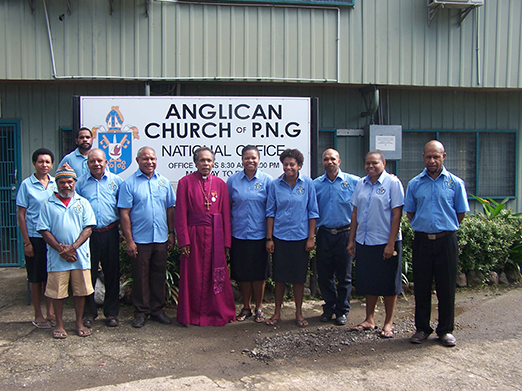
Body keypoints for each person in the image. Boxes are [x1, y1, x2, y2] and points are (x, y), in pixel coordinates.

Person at [404, 140, 469, 347]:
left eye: (436, 156)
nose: (432, 160)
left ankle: (445, 330)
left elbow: (460, 213)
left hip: (446, 241)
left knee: (446, 287)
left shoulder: (455, 183)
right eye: (428, 156)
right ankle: (422, 328)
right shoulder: (415, 184)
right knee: (421, 286)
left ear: (444, 157)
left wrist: (443, 228)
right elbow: (410, 212)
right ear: (423, 157)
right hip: (422, 241)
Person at [175, 147, 236, 326]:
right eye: (202, 160)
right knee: (193, 275)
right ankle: (192, 314)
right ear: (195, 162)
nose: (206, 164)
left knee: (215, 276)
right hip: (193, 237)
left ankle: (216, 311)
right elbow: (180, 214)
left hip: (216, 237)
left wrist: (226, 243)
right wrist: (183, 240)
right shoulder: (184, 182)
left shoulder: (221, 184)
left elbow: (226, 215)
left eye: (209, 160)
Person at [347, 150, 404, 338]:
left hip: (385, 241)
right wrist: (352, 240)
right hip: (364, 240)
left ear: (384, 163)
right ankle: (369, 319)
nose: (371, 166)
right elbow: (355, 213)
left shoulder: (393, 183)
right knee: (369, 280)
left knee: (388, 282)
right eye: (368, 163)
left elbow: (397, 214)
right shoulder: (361, 184)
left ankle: (388, 322)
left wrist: (391, 244)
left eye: (375, 163)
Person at [118, 147, 176, 328]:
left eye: (152, 158)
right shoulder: (129, 184)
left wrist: (171, 233)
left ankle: (157, 311)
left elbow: (170, 210)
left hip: (160, 238)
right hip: (140, 240)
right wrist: (129, 240)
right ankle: (141, 312)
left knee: (158, 276)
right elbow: (124, 214)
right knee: (140, 277)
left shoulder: (164, 182)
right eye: (145, 159)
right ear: (137, 161)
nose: (149, 162)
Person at [37, 164, 96, 339]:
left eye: (69, 182)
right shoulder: (47, 204)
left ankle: (78, 322)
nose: (66, 185)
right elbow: (44, 230)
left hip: (79, 255)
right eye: (62, 182)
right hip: (57, 257)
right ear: (56, 184)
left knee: (80, 291)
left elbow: (88, 228)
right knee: (57, 293)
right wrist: (61, 250)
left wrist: (72, 248)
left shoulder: (83, 202)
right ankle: (60, 325)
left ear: (75, 183)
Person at [265, 148, 319, 327]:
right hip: (279, 238)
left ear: (299, 166)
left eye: (292, 164)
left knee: (298, 278)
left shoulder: (308, 184)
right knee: (279, 278)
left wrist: (311, 237)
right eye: (285, 164)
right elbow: (270, 212)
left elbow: (312, 212)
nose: (288, 167)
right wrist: (269, 238)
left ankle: (298, 313)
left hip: (300, 238)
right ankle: (277, 312)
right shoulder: (275, 184)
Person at [76, 148, 123, 328]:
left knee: (112, 273)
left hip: (111, 232)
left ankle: (111, 313)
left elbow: (123, 209)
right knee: (89, 274)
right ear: (87, 163)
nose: (96, 164)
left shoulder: (116, 181)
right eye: (92, 161)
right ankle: (89, 313)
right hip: (88, 234)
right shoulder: (80, 184)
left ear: (106, 162)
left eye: (99, 161)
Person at [313, 148, 360, 326]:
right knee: (324, 275)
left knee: (344, 276)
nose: (329, 162)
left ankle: (342, 310)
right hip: (324, 233)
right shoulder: (316, 184)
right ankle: (329, 307)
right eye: (326, 159)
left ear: (339, 161)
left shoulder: (354, 182)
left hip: (345, 234)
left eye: (333, 159)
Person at [227, 145, 272, 323]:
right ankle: (246, 307)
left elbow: (271, 210)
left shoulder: (267, 181)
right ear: (242, 160)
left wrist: (269, 237)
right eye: (247, 158)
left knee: (259, 274)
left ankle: (259, 307)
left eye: (253, 158)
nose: (250, 161)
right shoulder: (233, 181)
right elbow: (228, 206)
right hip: (239, 234)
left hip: (260, 235)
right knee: (243, 274)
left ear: (259, 159)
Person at [16, 148, 57, 329]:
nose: (44, 165)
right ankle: (38, 313)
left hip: (52, 238)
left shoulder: (56, 183)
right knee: (35, 277)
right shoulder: (26, 185)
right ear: (34, 163)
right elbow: (21, 215)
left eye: (47, 162)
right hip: (35, 237)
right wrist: (26, 242)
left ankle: (50, 312)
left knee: (50, 276)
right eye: (41, 162)